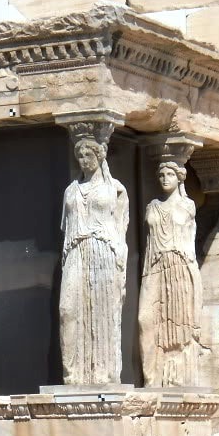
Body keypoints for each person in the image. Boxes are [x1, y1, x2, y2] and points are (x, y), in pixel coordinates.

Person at [58, 137, 129, 385]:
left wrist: (120, 266)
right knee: (68, 310)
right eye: (80, 156)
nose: (83, 160)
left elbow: (121, 230)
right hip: (76, 250)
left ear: (99, 156)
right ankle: (72, 373)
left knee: (103, 311)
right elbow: (65, 229)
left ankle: (103, 373)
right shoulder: (70, 190)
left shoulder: (116, 189)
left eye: (88, 155)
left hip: (103, 251)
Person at [139, 160, 201, 386]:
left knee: (177, 323)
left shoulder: (187, 206)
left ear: (179, 178)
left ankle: (174, 377)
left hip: (178, 266)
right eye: (161, 174)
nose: (165, 178)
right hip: (154, 267)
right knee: (145, 319)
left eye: (170, 174)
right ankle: (151, 378)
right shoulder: (152, 206)